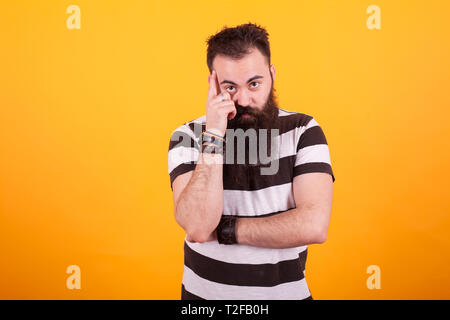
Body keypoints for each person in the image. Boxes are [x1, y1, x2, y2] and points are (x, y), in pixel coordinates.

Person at [168, 23, 335, 300]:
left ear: (272, 75)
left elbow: (314, 225)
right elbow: (198, 227)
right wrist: (214, 133)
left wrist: (226, 229)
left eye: (254, 83)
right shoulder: (188, 137)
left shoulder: (303, 131)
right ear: (213, 84)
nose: (243, 99)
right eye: (230, 87)